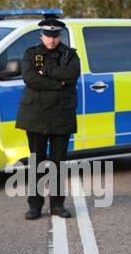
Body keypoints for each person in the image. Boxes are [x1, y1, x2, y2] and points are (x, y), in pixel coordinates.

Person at [15, 18, 81, 219]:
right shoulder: (31, 54)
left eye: (55, 36)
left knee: (58, 163)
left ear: (60, 36)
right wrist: (59, 83)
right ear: (41, 35)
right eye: (48, 36)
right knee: (36, 162)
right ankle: (34, 206)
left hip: (61, 115)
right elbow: (30, 78)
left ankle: (58, 205)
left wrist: (48, 72)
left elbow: (73, 74)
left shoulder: (70, 55)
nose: (51, 40)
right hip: (36, 115)